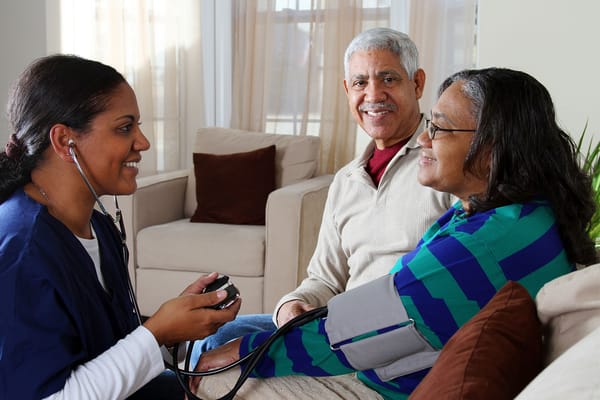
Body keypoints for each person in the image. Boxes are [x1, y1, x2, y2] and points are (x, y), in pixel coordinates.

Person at [192, 68, 597, 399]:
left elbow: (353, 335)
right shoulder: (517, 213)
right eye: (358, 82)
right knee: (232, 334)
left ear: (492, 149)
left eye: (438, 128)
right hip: (379, 335)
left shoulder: (479, 245)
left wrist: (241, 357)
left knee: (214, 370)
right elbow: (342, 293)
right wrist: (293, 307)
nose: (424, 137)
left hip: (385, 376)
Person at [191, 27, 455, 356]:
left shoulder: (447, 162)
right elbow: (325, 280)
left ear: (417, 83)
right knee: (216, 338)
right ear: (347, 90)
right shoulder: (346, 181)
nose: (373, 95)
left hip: (395, 333)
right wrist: (293, 305)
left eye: (388, 79)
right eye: (360, 82)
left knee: (227, 353)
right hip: (336, 321)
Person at [0, 54, 241, 399]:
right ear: (65, 141)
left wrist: (173, 331)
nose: (143, 142)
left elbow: (107, 355)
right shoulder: (21, 253)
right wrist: (156, 332)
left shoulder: (98, 227)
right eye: (125, 127)